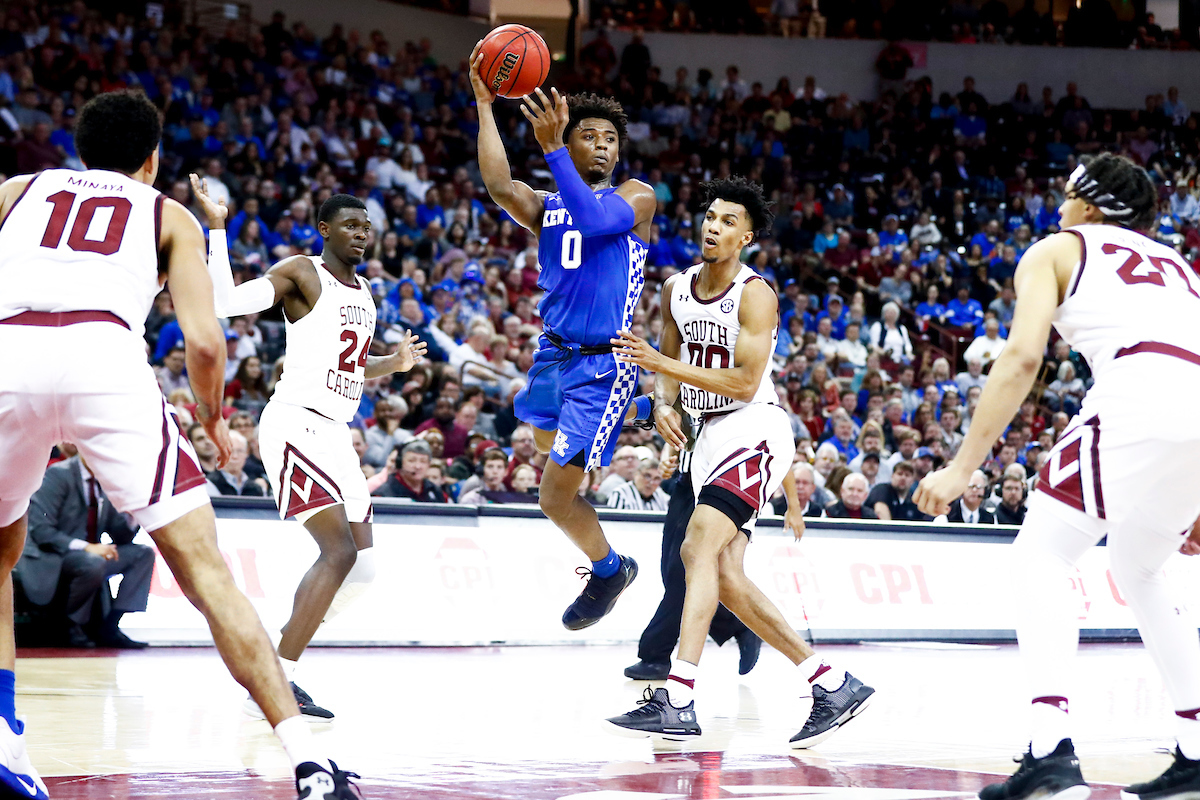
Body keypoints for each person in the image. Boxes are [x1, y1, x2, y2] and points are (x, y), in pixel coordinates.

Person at [0, 91, 357, 799]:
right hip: (105, 358)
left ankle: (6, 737)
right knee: (206, 573)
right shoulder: (169, 214)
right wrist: (213, 419)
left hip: (9, 349)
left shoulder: (14, 191)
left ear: (80, 150)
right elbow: (204, 342)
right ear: (152, 158)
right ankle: (307, 762)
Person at [914, 153, 1200, 800]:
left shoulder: (1057, 248)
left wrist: (962, 467)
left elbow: (1021, 357)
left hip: (1139, 390)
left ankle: (1050, 747)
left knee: (1040, 556)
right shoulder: (1179, 267)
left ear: (1090, 206)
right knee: (1140, 567)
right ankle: (1197, 744)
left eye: (1069, 193)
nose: (1060, 203)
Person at [609, 177, 873, 748]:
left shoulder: (755, 295)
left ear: (746, 238)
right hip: (705, 439)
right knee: (725, 576)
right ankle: (832, 683)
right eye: (710, 216)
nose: (714, 226)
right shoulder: (676, 289)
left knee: (695, 548)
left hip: (753, 428)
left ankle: (678, 698)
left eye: (729, 221)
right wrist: (663, 403)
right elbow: (668, 362)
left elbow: (745, 384)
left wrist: (662, 367)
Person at [192, 177, 427, 721]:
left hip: (337, 434)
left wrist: (393, 364)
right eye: (350, 225)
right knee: (338, 552)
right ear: (324, 229)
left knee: (363, 569)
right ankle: (275, 681)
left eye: (367, 227)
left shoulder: (364, 293)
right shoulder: (302, 272)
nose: (361, 234)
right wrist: (218, 228)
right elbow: (225, 303)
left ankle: (281, 649)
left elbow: (351, 365)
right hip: (295, 424)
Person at [471, 45, 657, 632]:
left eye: (610, 138)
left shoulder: (636, 196)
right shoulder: (547, 206)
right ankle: (641, 411)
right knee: (540, 440)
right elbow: (498, 184)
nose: (602, 145)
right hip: (553, 356)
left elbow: (597, 223)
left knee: (553, 497)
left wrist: (553, 149)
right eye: (589, 136)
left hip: (604, 363)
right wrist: (485, 105)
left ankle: (610, 571)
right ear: (571, 142)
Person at [625, 442, 761, 682]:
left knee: (681, 576)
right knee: (672, 574)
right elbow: (681, 428)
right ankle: (735, 624)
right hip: (684, 481)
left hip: (715, 485)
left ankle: (655, 655)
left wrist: (792, 505)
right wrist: (668, 454)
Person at [20, 453, 153, 649]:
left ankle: (111, 626)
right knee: (92, 561)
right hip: (52, 555)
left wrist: (133, 513)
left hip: (88, 556)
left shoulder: (107, 480)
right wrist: (87, 547)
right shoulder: (58, 474)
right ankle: (71, 625)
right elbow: (41, 531)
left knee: (143, 554)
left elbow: (121, 536)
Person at [376, 440, 447, 502]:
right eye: (411, 461)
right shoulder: (384, 493)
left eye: (423, 461)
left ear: (429, 465)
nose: (418, 466)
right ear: (400, 463)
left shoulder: (435, 491)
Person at [205, 431, 268, 496]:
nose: (235, 456)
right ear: (218, 454)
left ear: (246, 454)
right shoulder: (209, 484)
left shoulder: (255, 486)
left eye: (240, 451)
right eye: (229, 451)